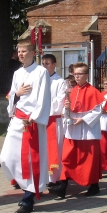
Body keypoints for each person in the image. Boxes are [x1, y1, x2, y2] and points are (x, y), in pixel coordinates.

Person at [0, 41, 51, 213]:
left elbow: (44, 97)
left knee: (30, 161)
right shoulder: (17, 73)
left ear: (32, 52)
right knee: (5, 158)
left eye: (24, 51)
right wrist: (17, 94)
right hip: (17, 119)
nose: (20, 54)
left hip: (31, 121)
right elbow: (12, 96)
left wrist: (34, 118)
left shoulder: (41, 72)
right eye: (19, 51)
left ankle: (28, 199)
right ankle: (23, 184)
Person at [49, 62, 104, 199]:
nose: (76, 76)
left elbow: (98, 110)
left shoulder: (93, 91)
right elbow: (66, 110)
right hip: (72, 130)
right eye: (75, 74)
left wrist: (83, 119)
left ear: (86, 75)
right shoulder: (72, 90)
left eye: (79, 74)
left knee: (88, 161)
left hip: (87, 131)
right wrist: (66, 107)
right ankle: (62, 186)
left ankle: (94, 185)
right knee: (67, 158)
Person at [41, 54, 67, 187]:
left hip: (53, 120)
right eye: (43, 63)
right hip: (41, 121)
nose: (44, 66)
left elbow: (59, 101)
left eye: (47, 63)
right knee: (42, 150)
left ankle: (54, 178)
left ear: (54, 65)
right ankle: (43, 176)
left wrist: (44, 106)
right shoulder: (39, 80)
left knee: (55, 148)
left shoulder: (60, 81)